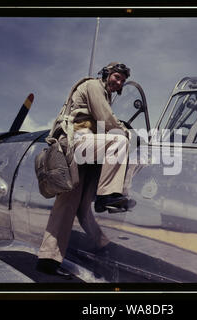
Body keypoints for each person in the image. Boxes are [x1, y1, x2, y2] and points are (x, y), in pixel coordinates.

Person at [36, 62, 133, 278]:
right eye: (117, 77)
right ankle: (107, 196)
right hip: (76, 143)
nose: (119, 82)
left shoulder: (104, 93)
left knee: (70, 204)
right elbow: (105, 119)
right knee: (119, 141)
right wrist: (126, 132)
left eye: (122, 81)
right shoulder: (93, 86)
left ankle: (48, 259)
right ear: (107, 74)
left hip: (84, 151)